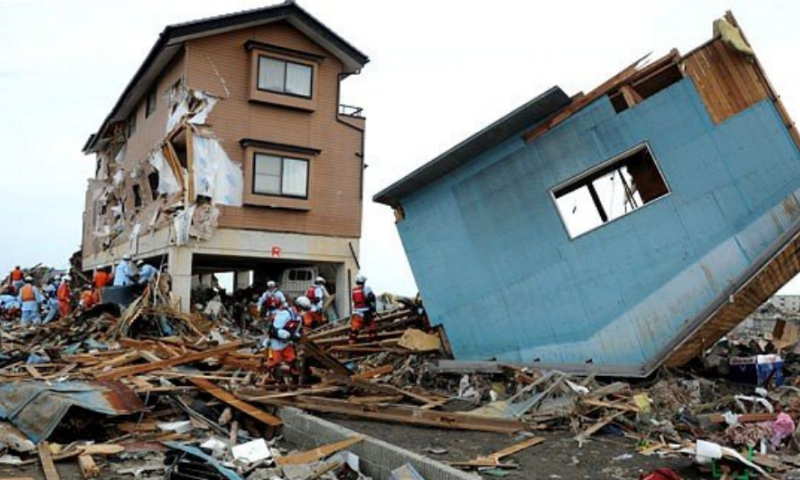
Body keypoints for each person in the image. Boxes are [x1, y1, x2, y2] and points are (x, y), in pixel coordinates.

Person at [265, 296, 309, 384]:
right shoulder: (285, 314)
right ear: (299, 307)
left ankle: (295, 384)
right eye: (304, 310)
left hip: (286, 344)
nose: (304, 312)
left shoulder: (298, 318)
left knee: (294, 363)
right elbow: (275, 330)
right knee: (274, 365)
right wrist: (289, 335)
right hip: (275, 344)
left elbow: (296, 331)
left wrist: (297, 336)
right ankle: (275, 384)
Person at [349, 274, 377, 344]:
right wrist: (373, 310)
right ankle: (373, 342)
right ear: (364, 281)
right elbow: (371, 299)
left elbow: (354, 300)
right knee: (371, 327)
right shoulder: (367, 288)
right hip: (367, 311)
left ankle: (351, 342)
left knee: (354, 328)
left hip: (357, 312)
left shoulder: (354, 290)